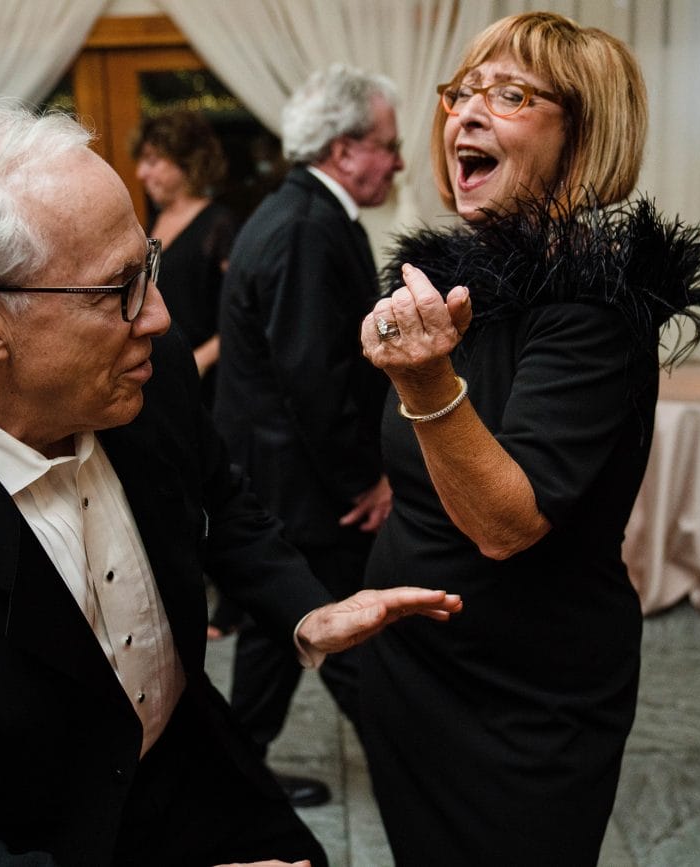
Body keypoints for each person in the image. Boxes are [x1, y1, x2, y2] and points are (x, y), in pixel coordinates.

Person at [0, 99, 461, 866]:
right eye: (117, 288)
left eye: (148, 265)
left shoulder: (142, 374)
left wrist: (304, 611)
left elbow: (220, 499)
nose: (159, 317)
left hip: (196, 772)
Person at [353, 12, 700, 863]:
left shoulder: (592, 305)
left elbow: (506, 523)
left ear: (584, 135)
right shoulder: (459, 276)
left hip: (520, 697)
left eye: (512, 94)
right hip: (414, 673)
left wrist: (423, 382)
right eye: (462, 91)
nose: (466, 111)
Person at [213, 63, 402, 808]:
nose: (397, 161)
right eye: (387, 145)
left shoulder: (302, 214)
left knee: (284, 631)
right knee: (332, 630)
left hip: (281, 476)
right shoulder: (304, 227)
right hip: (301, 481)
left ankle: (231, 778)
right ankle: (415, 762)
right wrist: (366, 478)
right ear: (346, 148)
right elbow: (315, 378)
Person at [132, 109, 239, 409]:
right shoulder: (155, 221)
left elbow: (241, 310)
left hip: (207, 380)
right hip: (164, 375)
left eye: (153, 161)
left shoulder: (219, 223)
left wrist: (201, 359)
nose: (141, 173)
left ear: (186, 163)